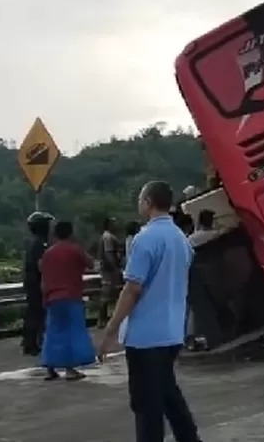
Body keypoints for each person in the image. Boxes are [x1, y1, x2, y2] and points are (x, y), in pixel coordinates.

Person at [97, 180, 202, 442]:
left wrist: (110, 330)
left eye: (140, 199)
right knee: (168, 394)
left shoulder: (145, 239)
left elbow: (132, 289)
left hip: (146, 336)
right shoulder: (181, 239)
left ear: (148, 202)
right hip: (172, 332)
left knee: (146, 404)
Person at [39, 220, 96, 381]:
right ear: (71, 233)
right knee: (72, 332)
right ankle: (70, 370)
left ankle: (50, 368)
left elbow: (44, 277)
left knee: (53, 332)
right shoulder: (75, 250)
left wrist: (45, 297)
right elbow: (91, 264)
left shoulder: (48, 253)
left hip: (52, 297)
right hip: (71, 296)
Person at [22, 211, 54, 356]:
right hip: (36, 283)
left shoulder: (36, 242)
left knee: (34, 313)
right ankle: (31, 344)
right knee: (36, 313)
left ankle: (31, 341)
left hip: (33, 282)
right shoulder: (39, 244)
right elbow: (40, 265)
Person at [97, 217, 123, 328]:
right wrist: (115, 268)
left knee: (112, 293)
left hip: (109, 269)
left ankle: (107, 318)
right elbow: (109, 254)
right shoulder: (108, 237)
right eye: (114, 223)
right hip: (109, 270)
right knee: (107, 294)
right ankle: (102, 319)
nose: (116, 225)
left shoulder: (109, 236)